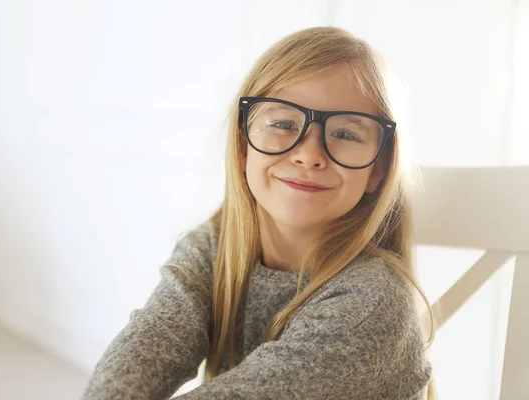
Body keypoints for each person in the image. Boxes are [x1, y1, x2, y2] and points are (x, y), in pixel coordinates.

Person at [81, 26, 436, 400]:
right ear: (242, 147)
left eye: (345, 134)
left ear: (377, 170)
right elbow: (149, 344)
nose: (309, 155)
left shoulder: (372, 303)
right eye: (284, 124)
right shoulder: (212, 249)